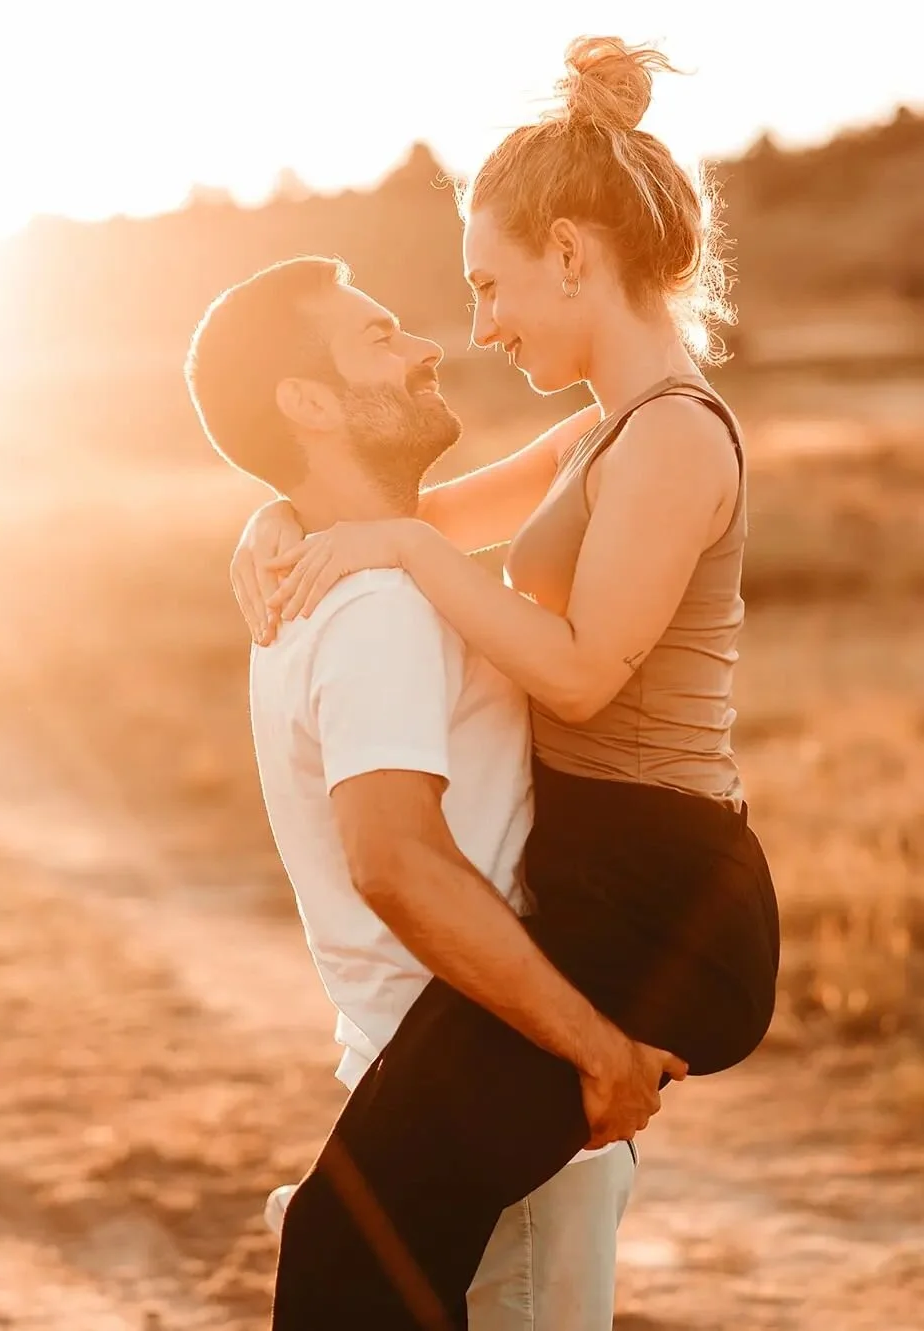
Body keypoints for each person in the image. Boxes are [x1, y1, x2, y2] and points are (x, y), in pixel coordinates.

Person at [229, 33, 781, 1331]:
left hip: (663, 906)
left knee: (345, 1230)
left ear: (573, 255)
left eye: (492, 284)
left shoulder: (673, 441)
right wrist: (273, 525)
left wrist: (406, 546)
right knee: (360, 1229)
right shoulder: (597, 432)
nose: (479, 323)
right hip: (597, 888)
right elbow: (387, 504)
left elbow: (584, 675)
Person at [185, 256, 669, 1329]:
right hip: (502, 1080)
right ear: (307, 401)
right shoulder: (373, 605)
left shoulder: (333, 564)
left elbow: (599, 442)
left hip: (426, 1070)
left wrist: (278, 512)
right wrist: (596, 1047)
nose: (426, 347)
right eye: (380, 336)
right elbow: (393, 857)